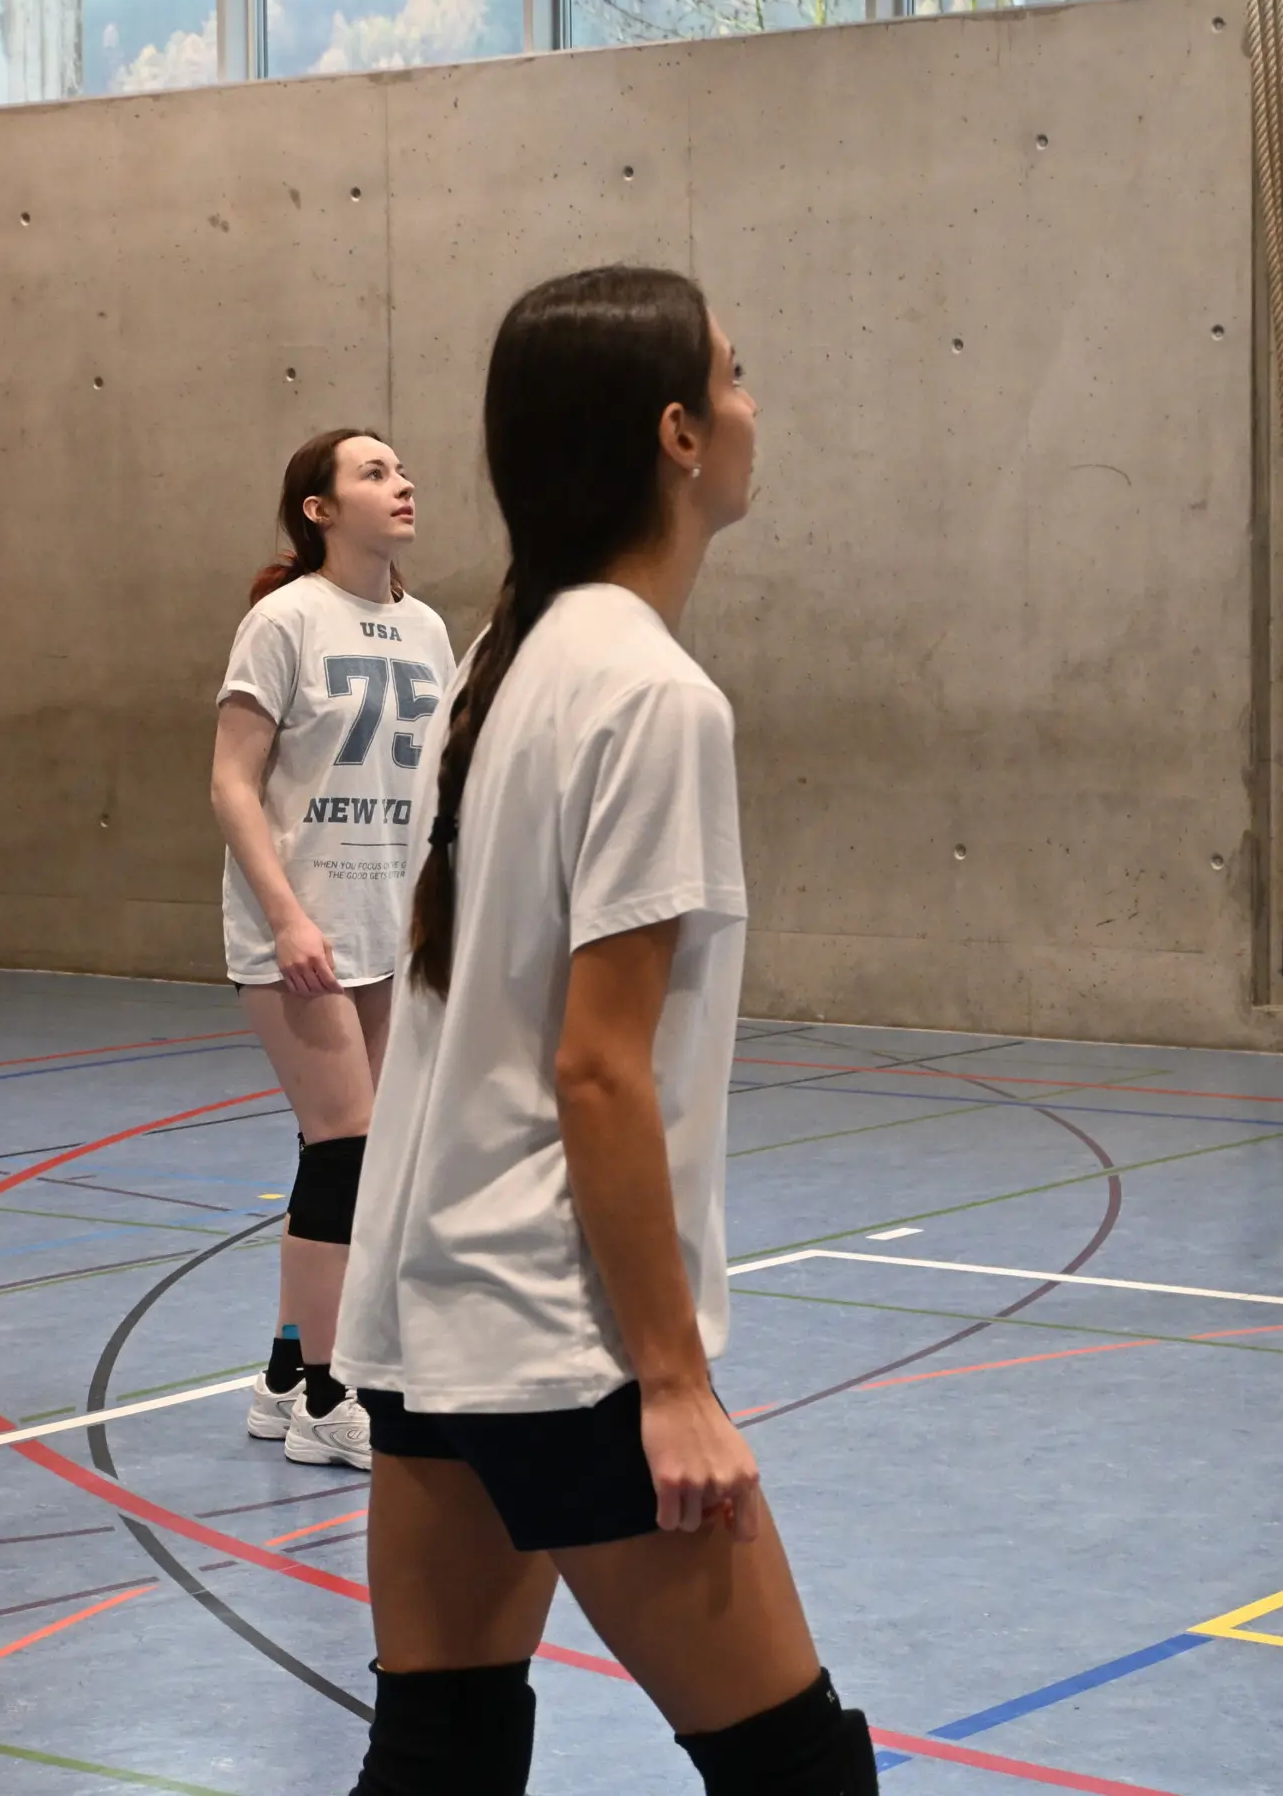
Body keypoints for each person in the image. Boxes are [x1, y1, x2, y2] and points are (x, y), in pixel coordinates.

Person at [336, 267, 875, 1795]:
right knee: (800, 1774)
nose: (753, 401)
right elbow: (594, 1064)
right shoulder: (650, 696)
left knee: (441, 1750)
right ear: (677, 436)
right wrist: (672, 1381)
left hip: (433, 1297)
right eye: (736, 372)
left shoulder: (503, 663)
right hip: (559, 1342)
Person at [210, 430, 455, 1470]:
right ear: (318, 508)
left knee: (347, 1155)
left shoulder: (432, 628)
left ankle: (280, 1371)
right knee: (349, 1149)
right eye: (372, 472)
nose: (400, 484)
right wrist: (287, 917)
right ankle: (326, 1393)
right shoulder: (284, 619)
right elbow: (231, 780)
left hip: (389, 928)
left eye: (401, 470)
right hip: (298, 932)